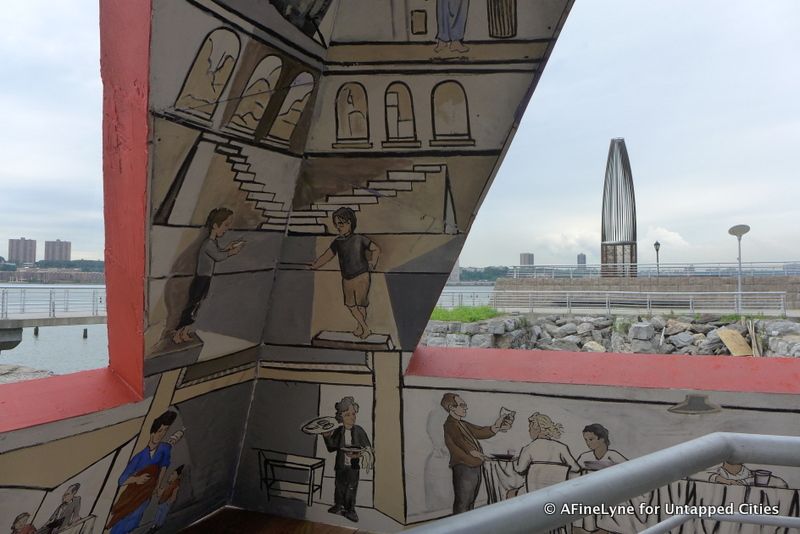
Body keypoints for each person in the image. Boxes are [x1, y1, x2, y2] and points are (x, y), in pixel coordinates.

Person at [172, 208, 244, 344]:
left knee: (196, 306)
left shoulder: (212, 243)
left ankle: (184, 332)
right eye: (226, 225)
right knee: (192, 307)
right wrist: (231, 252)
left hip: (205, 279)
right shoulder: (208, 244)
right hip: (201, 279)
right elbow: (217, 256)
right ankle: (178, 334)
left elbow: (217, 252)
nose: (227, 229)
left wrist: (227, 248)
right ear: (215, 225)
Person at [106, 411, 185, 534]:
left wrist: (157, 485)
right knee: (123, 522)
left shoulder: (163, 449)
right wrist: (137, 479)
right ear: (152, 432)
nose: (161, 434)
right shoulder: (139, 457)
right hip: (134, 494)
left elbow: (164, 465)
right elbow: (122, 480)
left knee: (135, 520)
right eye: (159, 431)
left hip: (147, 493)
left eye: (165, 430)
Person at [311, 207, 380, 339]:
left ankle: (362, 328)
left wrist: (373, 263)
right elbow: (327, 256)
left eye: (341, 224)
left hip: (361, 275)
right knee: (351, 305)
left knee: (361, 305)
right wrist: (315, 265)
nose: (338, 227)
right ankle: (364, 327)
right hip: (346, 278)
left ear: (349, 223)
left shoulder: (359, 239)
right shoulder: (337, 242)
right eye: (336, 224)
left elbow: (376, 249)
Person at [441, 393, 510, 514]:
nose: (466, 408)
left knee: (470, 501)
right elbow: (460, 441)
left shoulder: (462, 424)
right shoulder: (450, 424)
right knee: (464, 502)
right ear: (452, 407)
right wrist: (476, 453)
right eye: (462, 405)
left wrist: (497, 425)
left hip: (474, 466)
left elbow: (480, 431)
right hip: (464, 467)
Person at [322, 396, 372, 523]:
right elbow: (331, 448)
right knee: (339, 486)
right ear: (341, 417)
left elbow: (368, 449)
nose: (352, 417)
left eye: (353, 414)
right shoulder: (339, 431)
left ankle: (350, 510)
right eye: (347, 415)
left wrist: (357, 455)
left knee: (351, 487)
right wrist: (327, 437)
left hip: (353, 467)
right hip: (340, 465)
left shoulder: (359, 431)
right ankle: (338, 506)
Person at [513, 413, 580, 494]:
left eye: (530, 428)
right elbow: (576, 468)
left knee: (511, 493)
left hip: (533, 493)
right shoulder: (562, 447)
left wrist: (515, 462)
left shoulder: (529, 448)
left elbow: (520, 470)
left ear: (536, 429)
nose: (529, 431)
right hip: (558, 493)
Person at [150, 465, 184, 532]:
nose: (170, 475)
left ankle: (158, 525)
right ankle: (154, 525)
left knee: (162, 514)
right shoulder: (170, 485)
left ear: (177, 476)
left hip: (166, 503)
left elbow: (173, 496)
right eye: (172, 474)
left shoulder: (176, 485)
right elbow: (163, 492)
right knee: (158, 514)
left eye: (173, 474)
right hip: (162, 502)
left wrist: (170, 502)